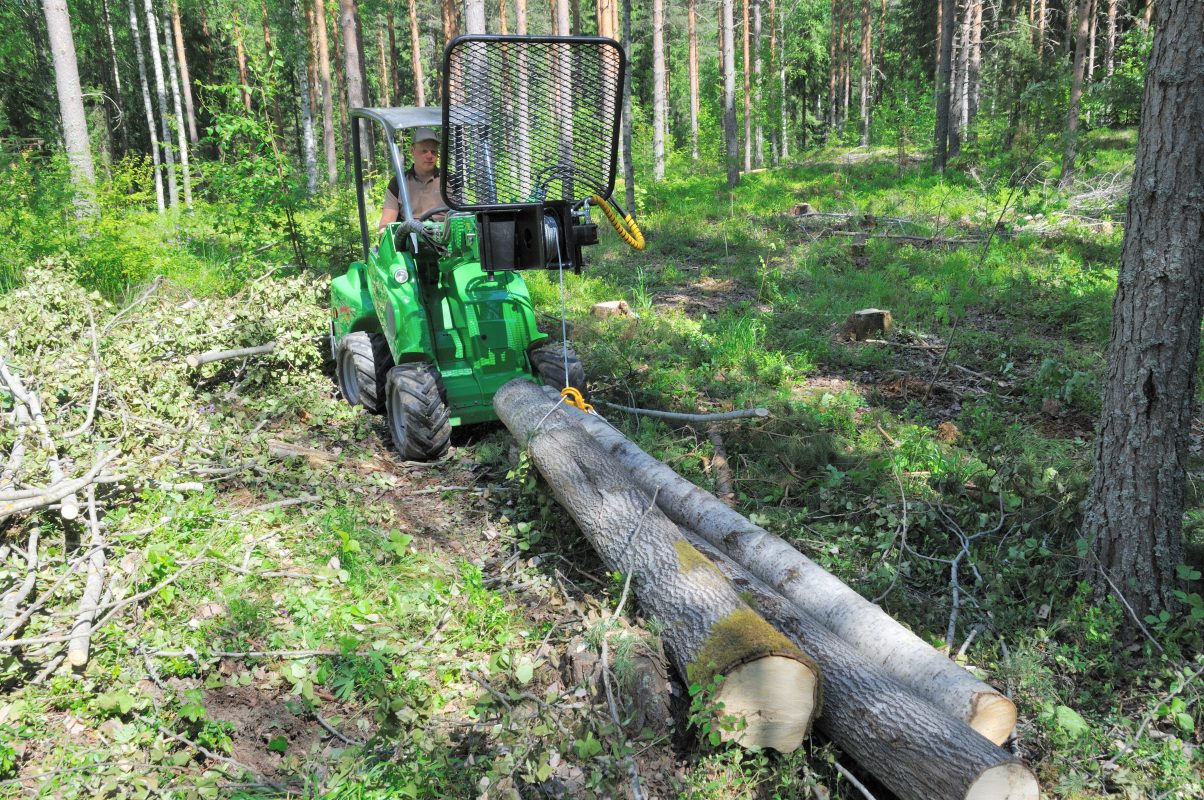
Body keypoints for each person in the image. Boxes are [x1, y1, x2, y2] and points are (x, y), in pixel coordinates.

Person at [378, 126, 443, 231]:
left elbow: (464, 217)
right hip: (410, 239)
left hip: (447, 239)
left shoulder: (451, 181)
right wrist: (383, 232)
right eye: (424, 151)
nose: (429, 156)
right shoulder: (398, 183)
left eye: (433, 151)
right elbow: (386, 225)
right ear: (412, 151)